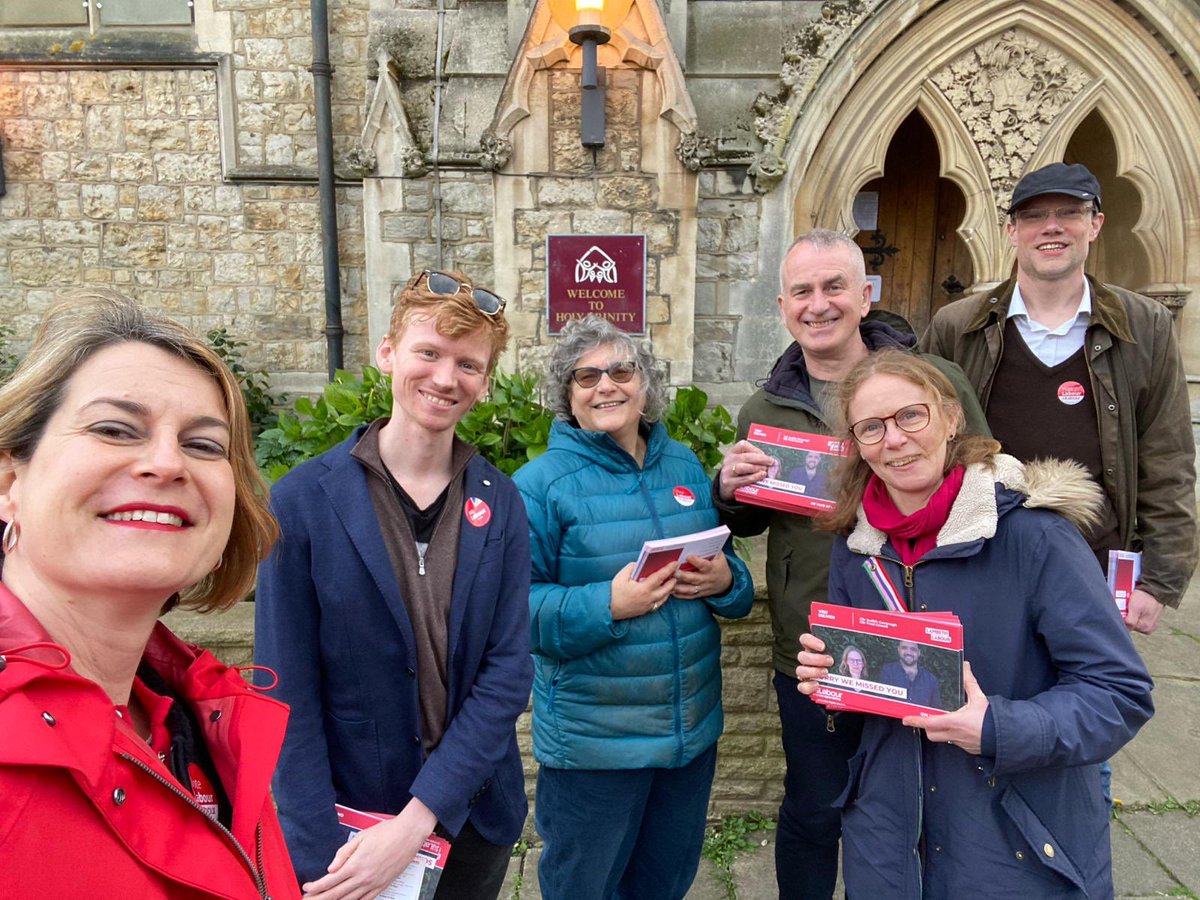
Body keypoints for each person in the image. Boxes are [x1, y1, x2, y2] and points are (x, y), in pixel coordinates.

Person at [795, 350, 1154, 899]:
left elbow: (1119, 694)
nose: (894, 440)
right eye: (871, 427)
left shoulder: (1036, 538)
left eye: (910, 416)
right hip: (888, 842)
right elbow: (884, 688)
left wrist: (996, 729)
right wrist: (841, 681)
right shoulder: (855, 545)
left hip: (1013, 841)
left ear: (951, 417)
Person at [713, 228, 989, 899]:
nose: (819, 304)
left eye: (834, 286)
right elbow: (748, 520)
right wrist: (728, 488)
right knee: (814, 809)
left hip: (920, 637)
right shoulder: (764, 407)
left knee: (930, 813)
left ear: (865, 296)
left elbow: (985, 485)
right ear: (782, 307)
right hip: (815, 647)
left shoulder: (935, 383)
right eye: (802, 291)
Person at [0, 291, 295, 898]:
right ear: (10, 482)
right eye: (115, 429)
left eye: (204, 445)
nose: (166, 463)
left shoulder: (209, 725)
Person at [255, 271, 533, 899]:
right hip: (350, 824)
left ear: (484, 383)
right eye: (428, 352)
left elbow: (508, 671)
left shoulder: (502, 501)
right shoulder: (301, 502)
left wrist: (419, 820)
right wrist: (315, 844)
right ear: (388, 353)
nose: (444, 377)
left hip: (473, 818)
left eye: (467, 363)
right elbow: (284, 688)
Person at [514, 316, 754, 900]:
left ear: (646, 384)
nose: (607, 386)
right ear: (567, 396)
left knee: (663, 884)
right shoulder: (539, 485)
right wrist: (608, 603)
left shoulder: (684, 468)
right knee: (583, 886)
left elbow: (732, 581)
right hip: (596, 743)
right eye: (586, 376)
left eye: (622, 370)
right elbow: (515, 612)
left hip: (688, 735)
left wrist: (727, 579)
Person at [925, 162, 1196, 637]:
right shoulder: (956, 326)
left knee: (1090, 700)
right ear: (1012, 230)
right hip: (980, 555)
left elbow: (1168, 458)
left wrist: (1159, 581)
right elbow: (919, 439)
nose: (1051, 226)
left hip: (1093, 560)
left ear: (1095, 223)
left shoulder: (1146, 326)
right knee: (983, 698)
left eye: (1069, 212)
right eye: (1033, 216)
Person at [878, 640, 940, 709]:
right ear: (898, 649)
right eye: (904, 648)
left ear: (919, 652)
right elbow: (881, 701)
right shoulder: (888, 671)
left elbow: (934, 709)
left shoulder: (931, 680)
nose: (908, 652)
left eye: (913, 649)